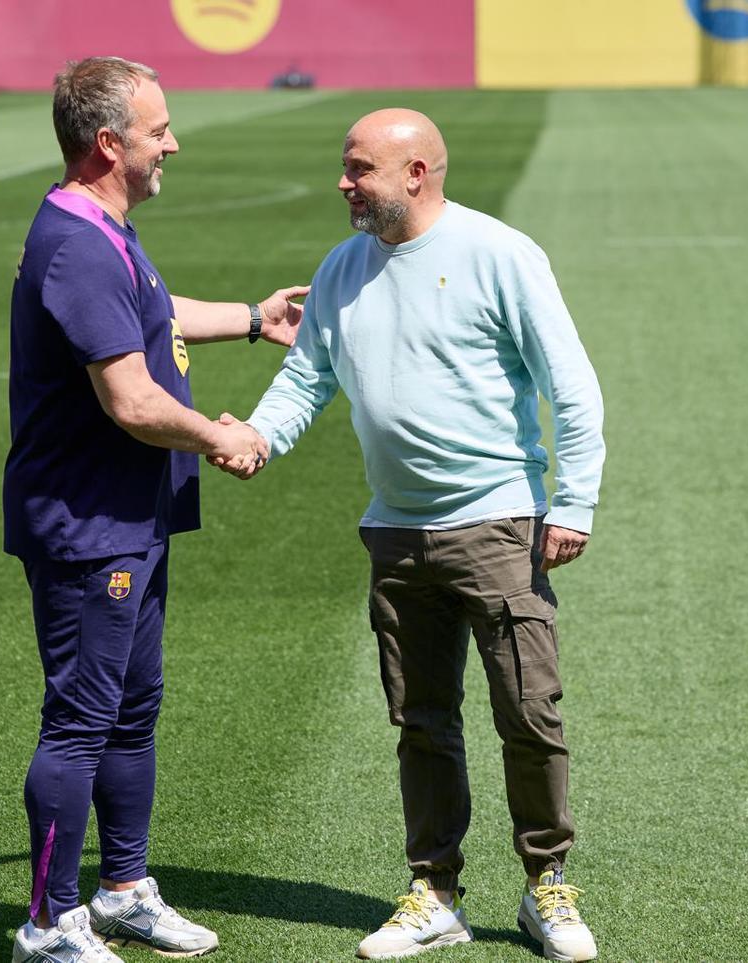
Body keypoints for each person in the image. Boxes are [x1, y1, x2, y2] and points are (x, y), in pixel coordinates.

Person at [220, 109, 605, 961]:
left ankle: (548, 884)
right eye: (345, 167)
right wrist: (258, 436)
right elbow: (306, 375)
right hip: (395, 535)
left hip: (498, 525)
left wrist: (572, 502)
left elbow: (572, 387)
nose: (345, 184)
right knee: (422, 722)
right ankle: (434, 891)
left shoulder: (500, 254)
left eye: (360, 170)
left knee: (528, 713)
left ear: (418, 173)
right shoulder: (342, 268)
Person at [4, 56, 305, 963]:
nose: (172, 140)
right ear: (109, 143)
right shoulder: (79, 243)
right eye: (158, 127)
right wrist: (221, 436)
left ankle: (124, 889)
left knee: (134, 710)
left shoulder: (104, 229)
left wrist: (253, 318)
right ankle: (48, 922)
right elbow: (131, 399)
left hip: (130, 515)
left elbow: (154, 313)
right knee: (82, 719)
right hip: (91, 525)